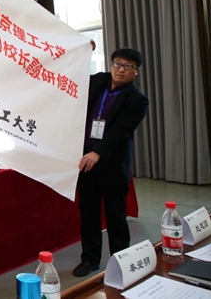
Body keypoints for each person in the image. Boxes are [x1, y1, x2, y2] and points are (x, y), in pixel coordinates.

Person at [73, 47, 149, 277]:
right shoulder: (98, 81)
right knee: (89, 213)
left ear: (136, 71)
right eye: (117, 64)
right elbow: (73, 73)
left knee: (116, 216)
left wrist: (98, 153)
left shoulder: (137, 100)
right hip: (86, 161)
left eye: (128, 66)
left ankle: (121, 261)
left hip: (112, 164)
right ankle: (90, 259)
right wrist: (81, 49)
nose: (121, 70)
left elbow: (119, 131)